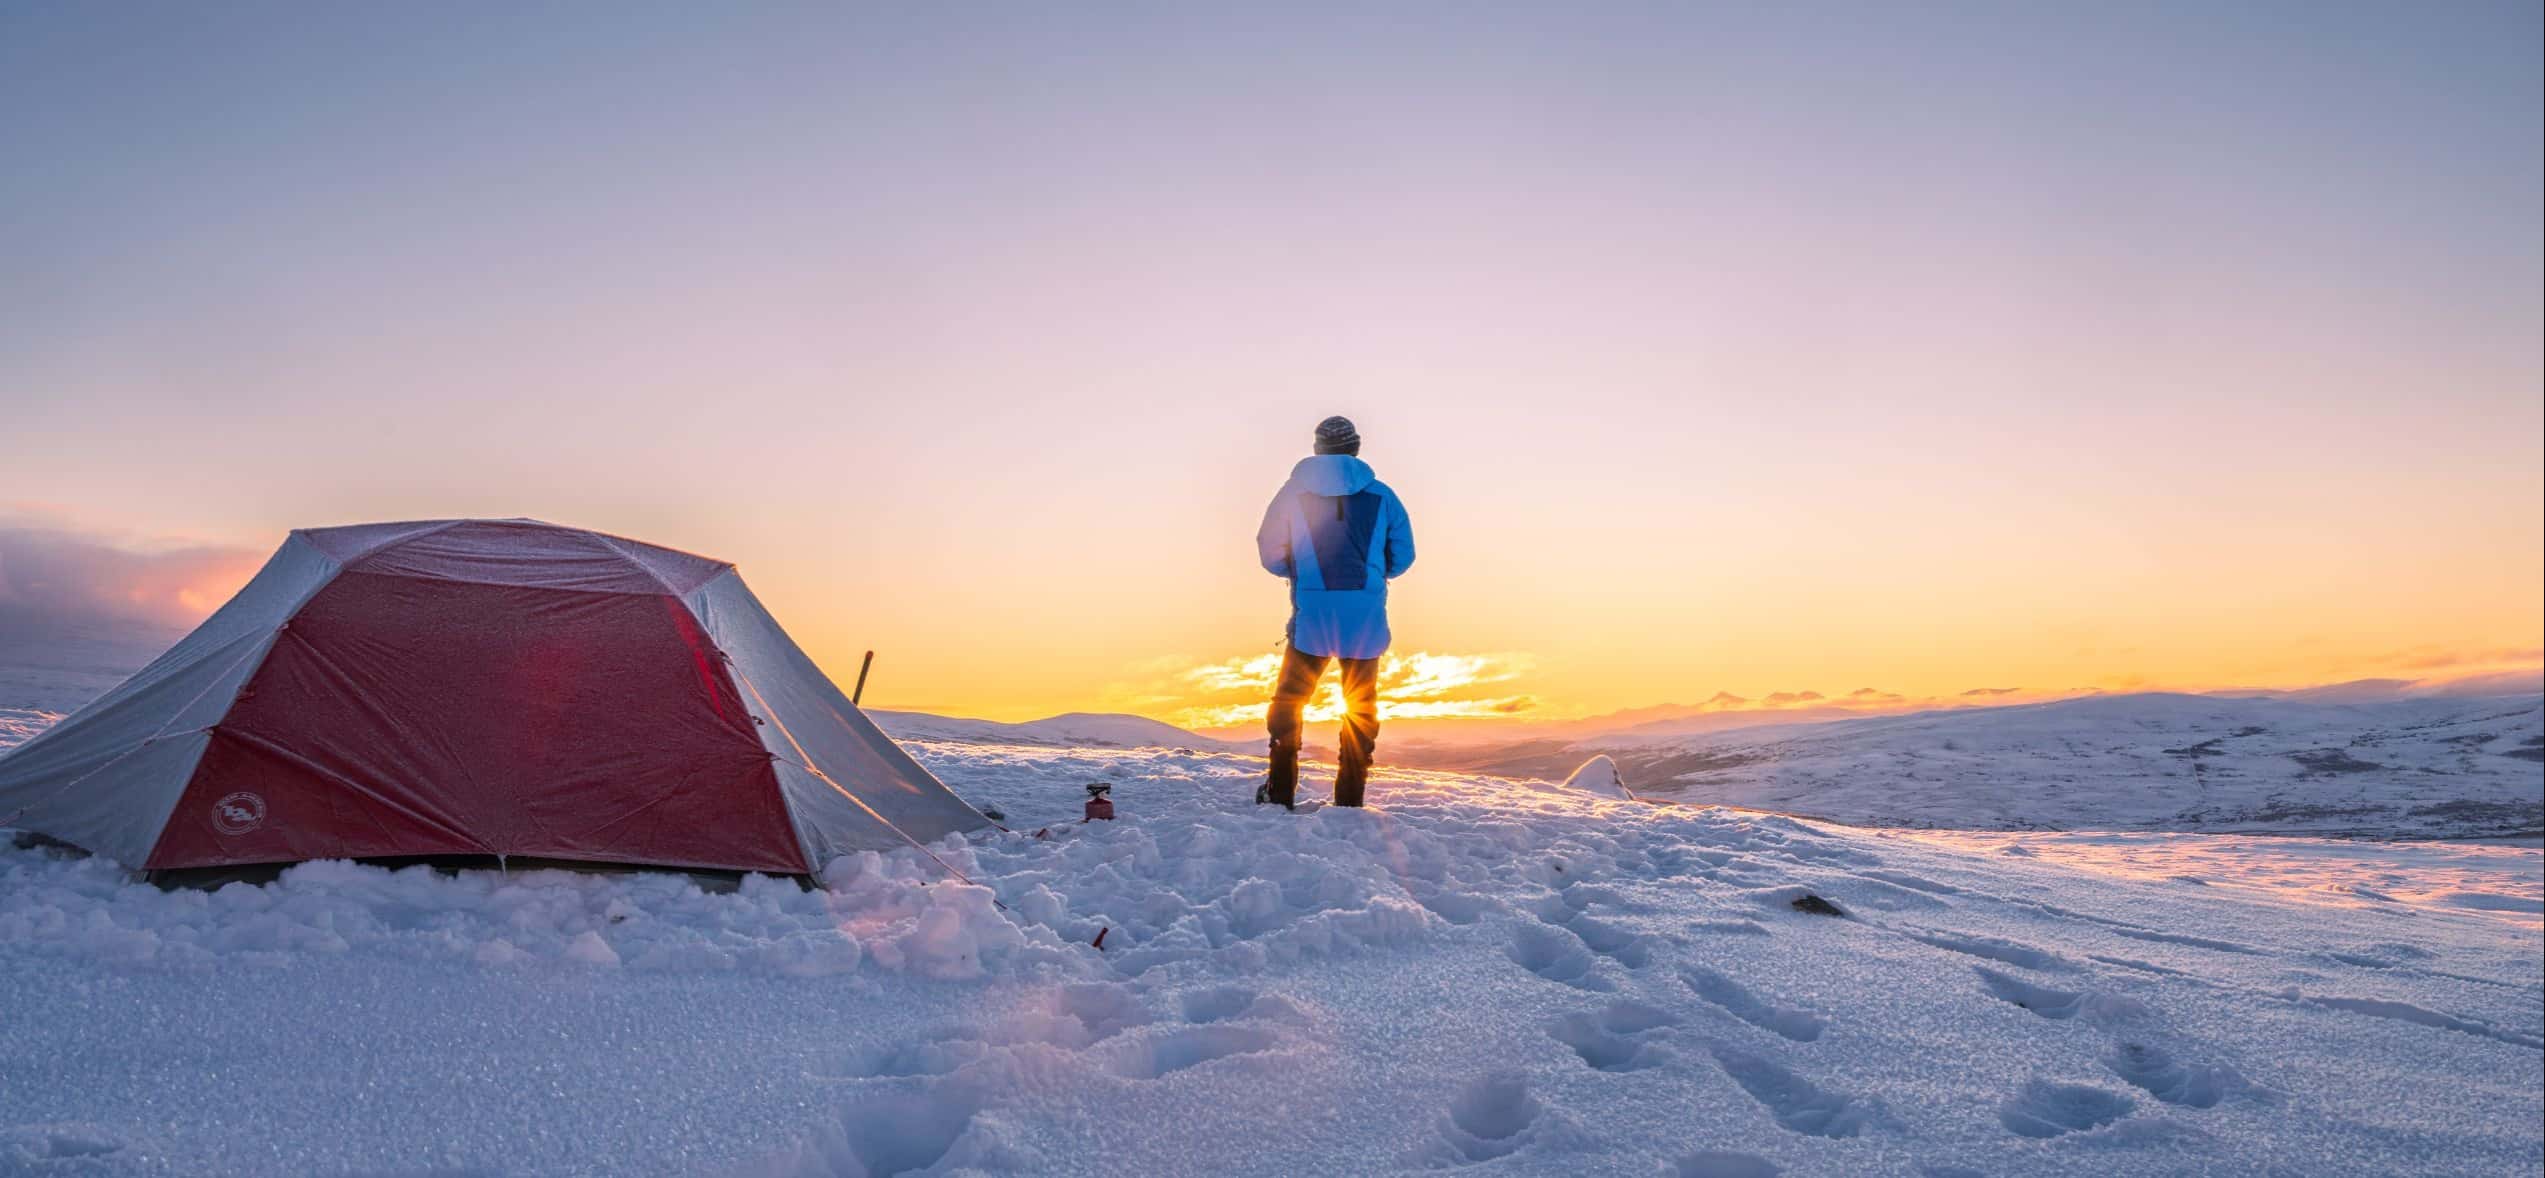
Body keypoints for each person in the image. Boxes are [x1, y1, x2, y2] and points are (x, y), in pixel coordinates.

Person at [1253, 415, 1415, 808]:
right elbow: (1403, 556)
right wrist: (1373, 577)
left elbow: (1269, 551)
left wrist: (1299, 572)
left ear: (1317, 448)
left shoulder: (1291, 494)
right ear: (1356, 448)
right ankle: (1349, 797)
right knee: (1360, 705)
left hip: (1313, 615)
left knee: (1290, 701)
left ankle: (1279, 792)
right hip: (1365, 618)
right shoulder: (1383, 495)